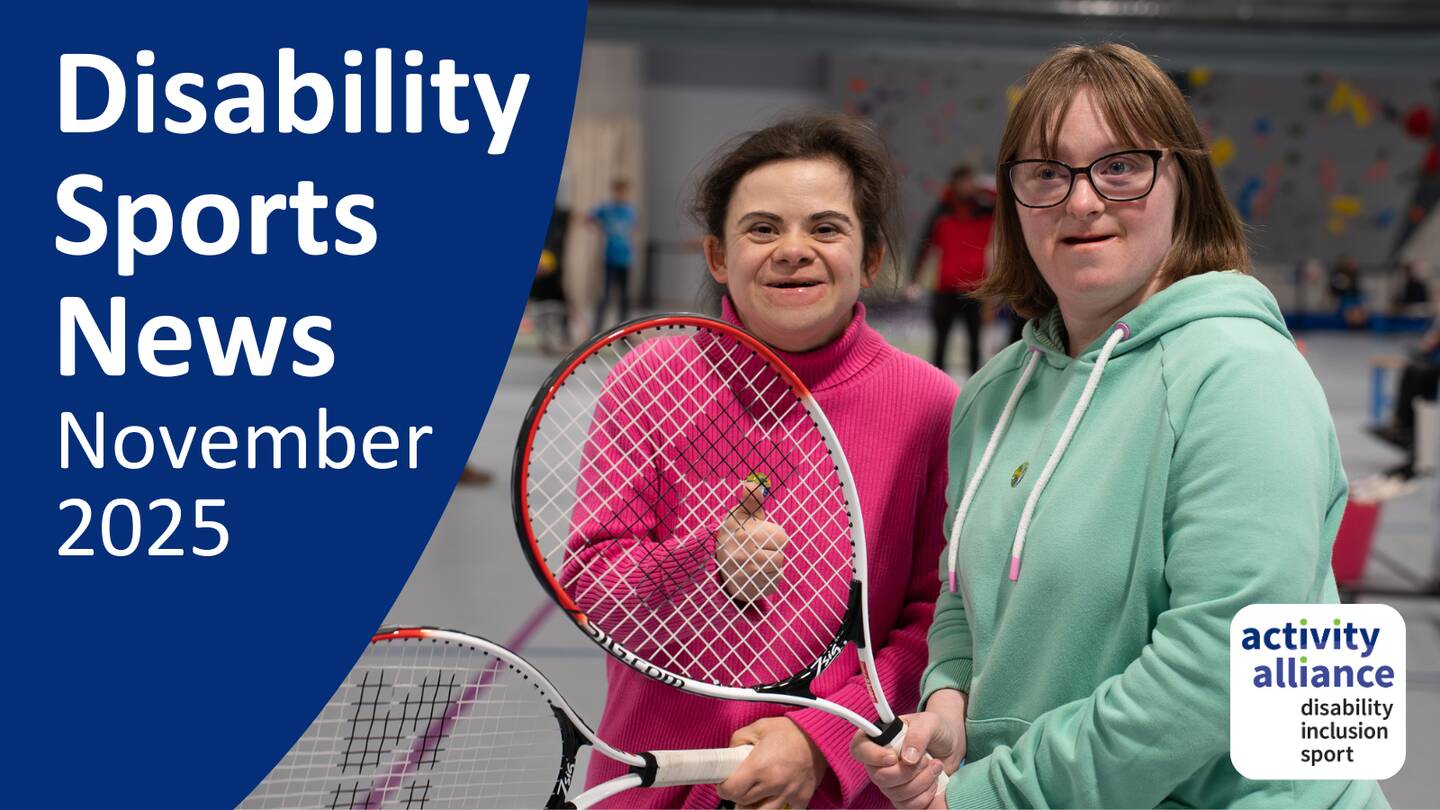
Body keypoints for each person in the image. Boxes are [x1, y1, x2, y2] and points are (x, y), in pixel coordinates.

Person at [852, 44, 1387, 808]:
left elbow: (1216, 667)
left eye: (1121, 166)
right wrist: (950, 709)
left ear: (1183, 183)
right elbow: (965, 601)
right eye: (1046, 173)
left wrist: (992, 796)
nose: (1081, 201)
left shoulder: (1241, 373)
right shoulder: (992, 395)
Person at [580, 115, 959, 808]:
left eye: (825, 228)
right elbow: (596, 590)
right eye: (761, 229)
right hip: (659, 778)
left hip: (840, 786)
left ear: (871, 258)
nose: (792, 251)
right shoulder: (648, 379)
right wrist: (702, 560)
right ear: (718, 257)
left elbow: (936, 621)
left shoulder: (930, 404)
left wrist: (820, 740)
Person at [910, 165, 996, 374]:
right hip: (945, 288)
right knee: (940, 342)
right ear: (954, 185)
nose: (968, 186)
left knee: (975, 343)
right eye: (964, 182)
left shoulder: (987, 210)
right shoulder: (941, 212)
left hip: (974, 288)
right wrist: (914, 279)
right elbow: (924, 245)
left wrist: (984, 187)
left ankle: (975, 387)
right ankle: (936, 384)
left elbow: (1007, 200)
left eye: (971, 182)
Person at [590, 179, 637, 331]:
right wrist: (601, 230)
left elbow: (632, 229)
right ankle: (596, 330)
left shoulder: (630, 211)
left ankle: (624, 331)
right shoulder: (606, 209)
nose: (621, 194)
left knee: (624, 298)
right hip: (610, 258)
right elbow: (588, 218)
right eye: (619, 191)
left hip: (625, 258)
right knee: (605, 295)